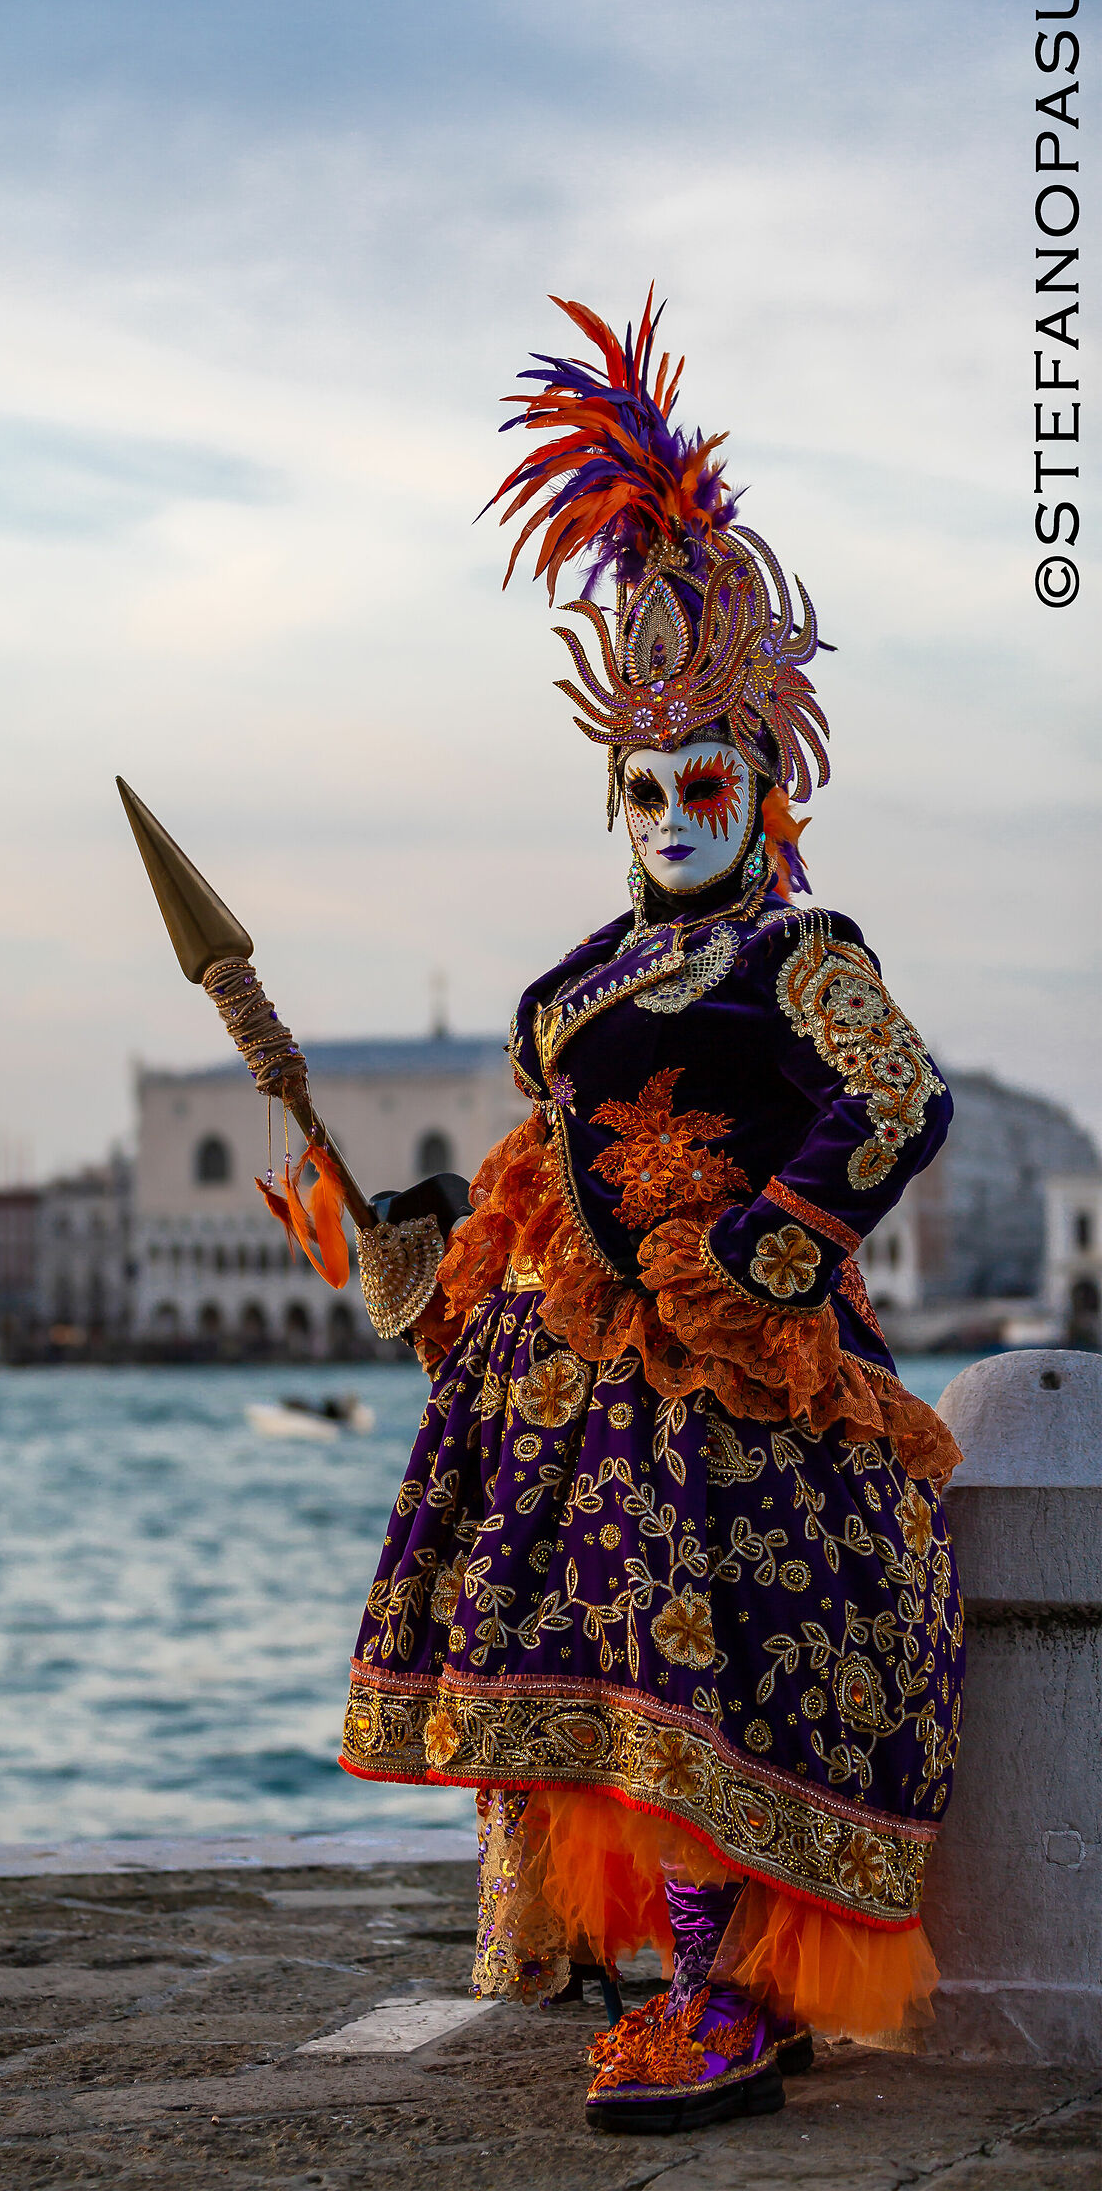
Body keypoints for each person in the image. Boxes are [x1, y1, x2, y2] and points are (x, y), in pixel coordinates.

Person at [346, 294, 962, 2135]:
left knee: (718, 1664)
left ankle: (716, 1996)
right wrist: (427, 1254)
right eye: (648, 788)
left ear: (765, 788)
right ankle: (653, 1975)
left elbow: (898, 1101)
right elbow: (541, 1166)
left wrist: (762, 1256)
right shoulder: (575, 981)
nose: (680, 812)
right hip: (564, 1378)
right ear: (613, 797)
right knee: (594, 1683)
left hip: (740, 1376)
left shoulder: (801, 948)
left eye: (711, 783)